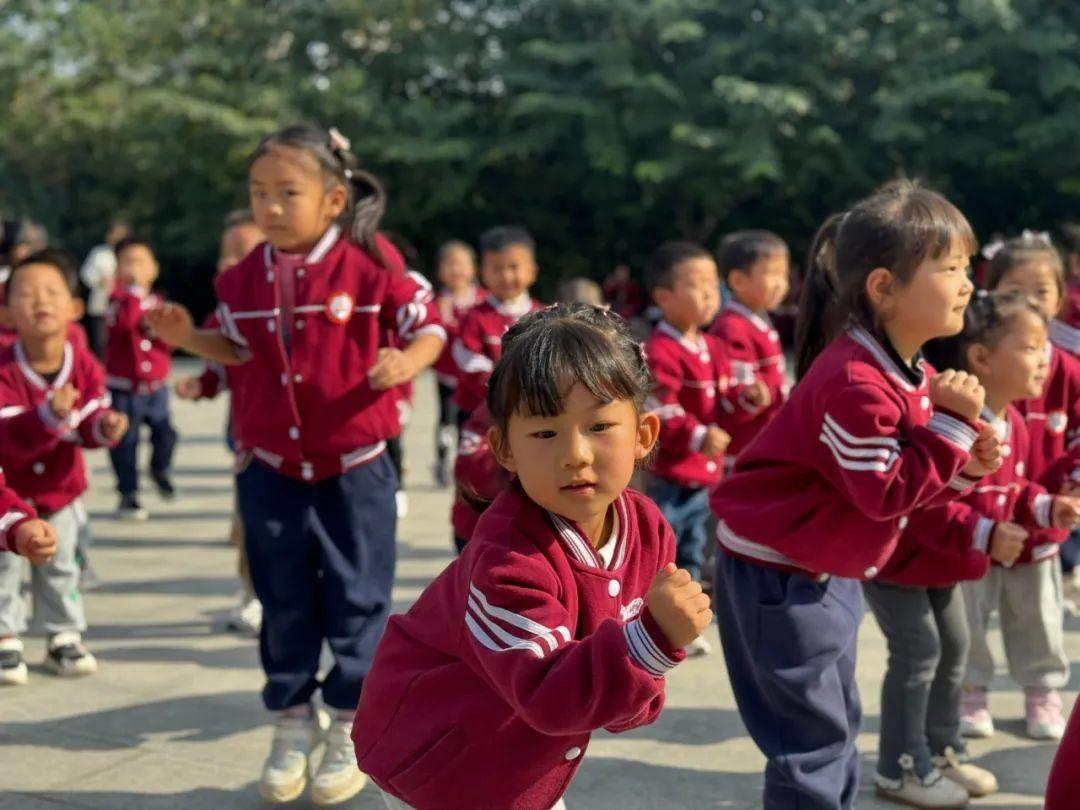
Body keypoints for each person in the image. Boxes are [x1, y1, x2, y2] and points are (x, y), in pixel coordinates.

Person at [148, 124, 445, 806]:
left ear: (334, 198)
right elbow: (236, 349)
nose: (271, 207)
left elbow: (427, 326)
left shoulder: (373, 263)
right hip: (270, 469)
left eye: (288, 192)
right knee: (281, 599)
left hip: (355, 467)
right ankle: (289, 718)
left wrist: (409, 360)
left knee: (358, 597)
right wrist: (186, 340)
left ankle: (348, 722)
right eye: (259, 193)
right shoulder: (241, 276)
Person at [709, 180, 1001, 809]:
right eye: (950, 269)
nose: (967, 284)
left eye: (966, 268)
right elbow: (884, 491)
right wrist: (950, 426)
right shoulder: (856, 381)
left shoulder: (905, 368)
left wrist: (966, 467)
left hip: (824, 568)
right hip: (778, 576)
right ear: (883, 286)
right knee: (810, 742)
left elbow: (903, 488)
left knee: (833, 726)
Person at [353, 304, 711, 810]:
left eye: (600, 426)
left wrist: (643, 658)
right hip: (439, 764)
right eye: (545, 433)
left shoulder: (647, 528)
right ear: (504, 449)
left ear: (643, 436)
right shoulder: (507, 560)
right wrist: (654, 638)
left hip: (520, 759)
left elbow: (620, 703)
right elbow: (551, 695)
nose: (575, 454)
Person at [866, 290, 1078, 806]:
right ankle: (900, 767)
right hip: (903, 562)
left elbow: (1013, 489)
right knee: (919, 655)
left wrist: (1048, 508)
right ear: (981, 357)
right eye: (1030, 347)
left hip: (948, 565)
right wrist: (985, 533)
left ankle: (941, 752)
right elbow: (928, 497)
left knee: (954, 650)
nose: (1046, 358)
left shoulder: (1015, 419)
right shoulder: (956, 416)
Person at [963, 234, 1080, 740]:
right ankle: (970, 691)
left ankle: (1042, 691)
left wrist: (1071, 492)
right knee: (969, 612)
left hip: (1042, 523)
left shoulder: (1068, 370)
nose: (1030, 303)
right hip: (977, 522)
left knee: (1039, 615)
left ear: (1061, 298)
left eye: (1042, 292)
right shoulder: (977, 362)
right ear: (989, 293)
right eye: (1015, 290)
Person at [0, 249, 128, 685]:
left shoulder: (83, 363)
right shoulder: (3, 367)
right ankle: (5, 636)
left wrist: (103, 427)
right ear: (7, 309)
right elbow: (7, 434)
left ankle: (63, 634)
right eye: (27, 293)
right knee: (5, 566)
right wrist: (47, 418)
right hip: (8, 493)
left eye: (52, 292)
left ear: (74, 307)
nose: (41, 302)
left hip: (60, 489)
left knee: (62, 565)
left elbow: (92, 414)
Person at [641, 241, 760, 656]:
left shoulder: (711, 346)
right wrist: (698, 435)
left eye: (714, 285)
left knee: (691, 547)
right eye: (697, 285)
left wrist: (750, 395)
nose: (710, 295)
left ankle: (682, 623)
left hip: (701, 472)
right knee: (661, 548)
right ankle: (644, 620)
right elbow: (662, 408)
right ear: (664, 296)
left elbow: (730, 390)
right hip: (669, 473)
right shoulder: (659, 350)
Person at [175, 209, 265, 636]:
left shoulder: (292, 310)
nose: (231, 263)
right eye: (226, 255)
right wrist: (202, 385)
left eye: (243, 253)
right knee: (253, 523)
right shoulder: (221, 317)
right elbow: (219, 369)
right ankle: (252, 595)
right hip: (250, 441)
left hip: (308, 446)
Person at [104, 236, 178, 520]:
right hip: (123, 388)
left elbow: (169, 340)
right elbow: (123, 325)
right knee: (125, 442)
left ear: (154, 269)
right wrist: (133, 293)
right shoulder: (118, 302)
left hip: (154, 388)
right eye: (127, 262)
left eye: (141, 261)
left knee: (165, 433)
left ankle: (161, 468)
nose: (134, 267)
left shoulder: (159, 303)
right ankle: (129, 493)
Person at [708, 229, 791, 470]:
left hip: (764, 437)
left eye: (783, 275)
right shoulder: (732, 327)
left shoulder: (757, 319)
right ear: (738, 281)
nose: (781, 284)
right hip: (745, 444)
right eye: (772, 274)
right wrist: (754, 395)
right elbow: (737, 393)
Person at [452, 225, 542, 422]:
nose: (506, 276)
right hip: (478, 413)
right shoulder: (474, 317)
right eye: (497, 269)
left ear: (532, 271)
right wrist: (503, 386)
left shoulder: (544, 317)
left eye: (513, 267)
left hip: (529, 415)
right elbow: (467, 359)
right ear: (482, 272)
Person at [430, 240, 479, 487]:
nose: (456, 270)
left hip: (474, 380)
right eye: (449, 264)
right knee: (445, 419)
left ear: (473, 269)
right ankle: (440, 461)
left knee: (469, 421)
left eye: (461, 264)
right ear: (440, 271)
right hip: (448, 376)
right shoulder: (438, 301)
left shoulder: (481, 300)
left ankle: (467, 462)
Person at [80, 219, 130, 357]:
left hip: (124, 304)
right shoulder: (99, 253)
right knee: (100, 340)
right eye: (115, 233)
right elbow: (86, 274)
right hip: (101, 302)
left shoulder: (129, 254)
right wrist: (99, 279)